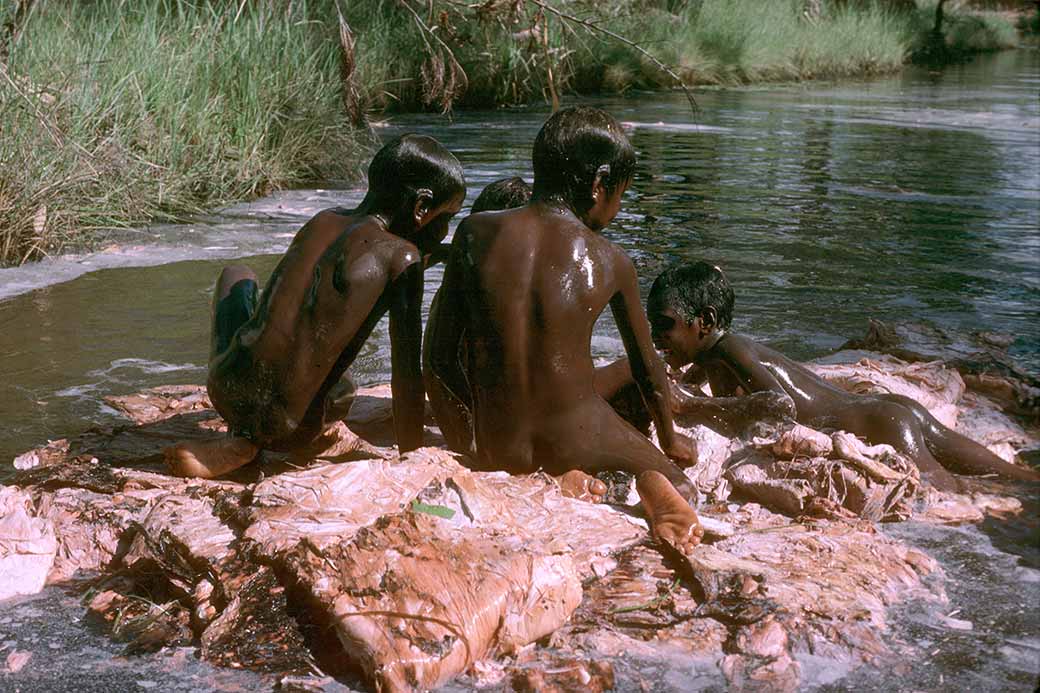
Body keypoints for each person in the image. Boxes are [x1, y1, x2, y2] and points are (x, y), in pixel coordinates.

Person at [427, 106, 703, 554]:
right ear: (598, 184)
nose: (616, 210)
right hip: (574, 433)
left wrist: (472, 440)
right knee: (680, 482)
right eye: (620, 195)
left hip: (500, 444)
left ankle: (559, 481)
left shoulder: (474, 232)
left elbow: (441, 356)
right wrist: (670, 438)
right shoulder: (612, 260)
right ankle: (649, 486)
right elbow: (647, 367)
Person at [165, 135, 466, 478]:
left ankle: (242, 438)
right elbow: (406, 375)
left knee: (238, 274)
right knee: (342, 388)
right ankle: (258, 444)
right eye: (447, 217)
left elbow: (354, 267)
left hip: (227, 391)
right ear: (421, 208)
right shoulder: (403, 260)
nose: (445, 230)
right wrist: (411, 459)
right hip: (293, 428)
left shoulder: (323, 220)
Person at [646, 261, 1040, 491]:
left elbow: (777, 406)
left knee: (957, 493)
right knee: (1010, 477)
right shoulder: (721, 352)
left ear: (705, 322)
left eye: (664, 325)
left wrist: (690, 405)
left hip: (879, 427)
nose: (655, 336)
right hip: (888, 412)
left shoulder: (729, 349)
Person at [423, 176, 532, 456]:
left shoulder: (481, 262)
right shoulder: (470, 282)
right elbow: (440, 361)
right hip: (464, 408)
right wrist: (475, 421)